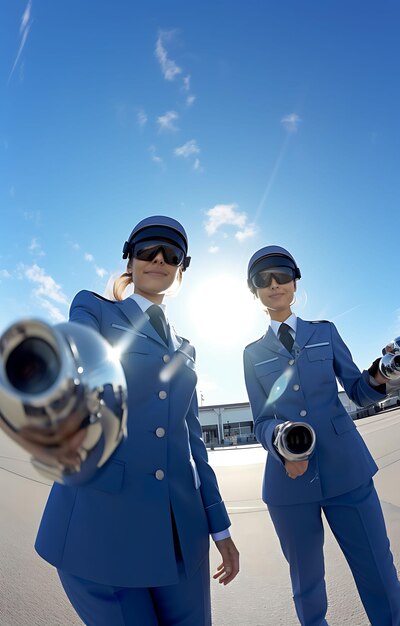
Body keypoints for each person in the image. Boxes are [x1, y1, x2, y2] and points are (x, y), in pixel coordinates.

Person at [20, 216, 239, 626]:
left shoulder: (187, 347)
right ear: (129, 257)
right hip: (103, 531)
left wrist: (220, 528)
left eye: (170, 254)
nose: (158, 259)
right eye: (147, 249)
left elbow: (194, 445)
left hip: (183, 537)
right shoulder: (95, 310)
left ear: (181, 269)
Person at [243, 245, 400, 626]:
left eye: (282, 274)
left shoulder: (324, 332)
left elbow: (358, 391)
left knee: (378, 572)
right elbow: (260, 420)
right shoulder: (251, 354)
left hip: (347, 470)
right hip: (289, 484)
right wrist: (282, 444)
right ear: (254, 291)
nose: (274, 284)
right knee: (307, 585)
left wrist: (380, 374)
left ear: (295, 281)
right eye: (262, 280)